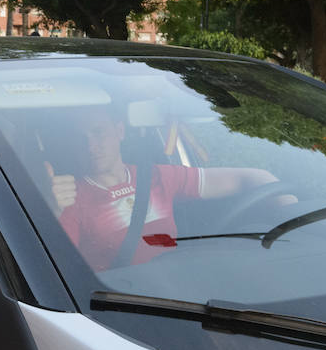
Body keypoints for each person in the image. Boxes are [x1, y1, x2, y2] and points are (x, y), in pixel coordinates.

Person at [47, 108, 289, 271]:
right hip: (122, 305)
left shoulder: (155, 175)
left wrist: (293, 221)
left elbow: (254, 178)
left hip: (180, 288)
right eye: (81, 138)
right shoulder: (69, 198)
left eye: (98, 133)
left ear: (119, 131)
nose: (91, 146)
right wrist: (54, 210)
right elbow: (55, 268)